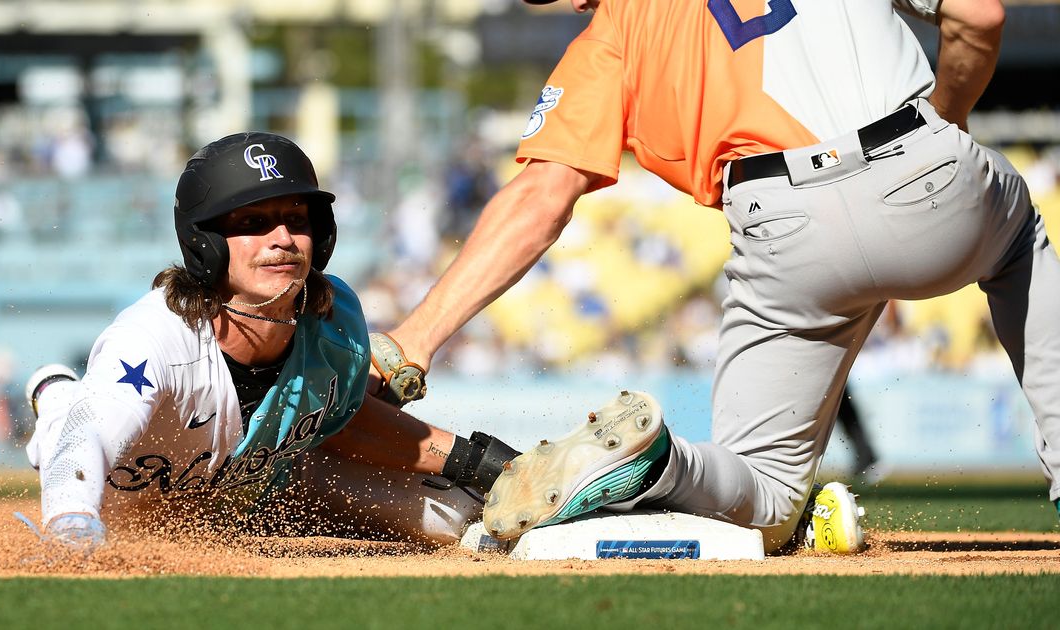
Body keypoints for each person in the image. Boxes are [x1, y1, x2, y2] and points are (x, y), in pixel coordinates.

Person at [374, 0, 1057, 554]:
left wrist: (414, 339)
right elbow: (981, 17)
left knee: (762, 502)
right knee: (1018, 243)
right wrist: (949, 118)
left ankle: (657, 463)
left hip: (783, 225)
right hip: (921, 163)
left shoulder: (614, 31)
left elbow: (540, 199)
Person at [21, 132, 518, 553]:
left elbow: (344, 426)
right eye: (252, 223)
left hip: (260, 491)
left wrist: (481, 464)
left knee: (459, 516)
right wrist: (73, 526)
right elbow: (83, 441)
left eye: (297, 220)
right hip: (135, 506)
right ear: (205, 243)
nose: (282, 237)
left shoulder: (336, 322)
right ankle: (58, 393)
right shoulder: (154, 337)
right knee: (71, 420)